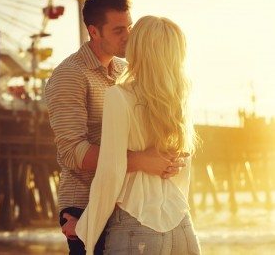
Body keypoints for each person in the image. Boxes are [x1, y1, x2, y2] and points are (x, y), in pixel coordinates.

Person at [45, 0, 186, 255]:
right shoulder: (69, 76)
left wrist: (168, 159)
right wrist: (142, 160)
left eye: (130, 27)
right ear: (94, 31)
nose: (129, 36)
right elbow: (73, 151)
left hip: (125, 203)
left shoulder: (126, 70)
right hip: (86, 203)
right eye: (118, 30)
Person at [75, 15, 202, 255]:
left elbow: (110, 172)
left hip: (137, 224)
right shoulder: (179, 98)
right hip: (181, 224)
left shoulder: (118, 96)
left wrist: (87, 231)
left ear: (138, 49)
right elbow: (182, 171)